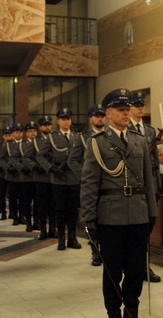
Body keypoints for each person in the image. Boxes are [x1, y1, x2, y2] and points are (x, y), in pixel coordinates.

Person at [81, 89, 158, 318]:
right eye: (121, 110)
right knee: (112, 269)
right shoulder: (97, 143)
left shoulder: (139, 140)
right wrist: (89, 219)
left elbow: (148, 180)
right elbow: (89, 184)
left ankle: (132, 308)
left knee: (135, 267)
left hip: (138, 214)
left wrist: (151, 212)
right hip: (110, 216)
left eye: (127, 110)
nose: (126, 113)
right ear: (108, 113)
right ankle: (113, 310)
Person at [128, 91, 162, 282]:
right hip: (135, 186)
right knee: (137, 230)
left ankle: (144, 265)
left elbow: (155, 160)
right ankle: (139, 266)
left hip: (151, 186)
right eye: (136, 105)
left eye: (142, 105)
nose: (140, 108)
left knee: (148, 226)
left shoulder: (149, 131)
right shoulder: (127, 129)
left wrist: (157, 185)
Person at [37, 108, 83, 250]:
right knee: (60, 209)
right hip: (58, 179)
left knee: (73, 210)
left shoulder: (77, 137)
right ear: (58, 121)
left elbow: (83, 156)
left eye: (68, 118)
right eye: (63, 119)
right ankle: (61, 238)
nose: (66, 121)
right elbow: (40, 156)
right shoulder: (52, 137)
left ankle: (72, 237)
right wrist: (51, 169)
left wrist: (80, 169)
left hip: (74, 178)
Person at [72, 104, 106, 266]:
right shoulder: (83, 137)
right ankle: (95, 251)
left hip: (107, 185)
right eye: (96, 116)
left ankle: (105, 249)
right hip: (91, 185)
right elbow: (72, 160)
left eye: (102, 115)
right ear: (91, 118)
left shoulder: (110, 135)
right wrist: (87, 175)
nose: (100, 118)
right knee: (91, 219)